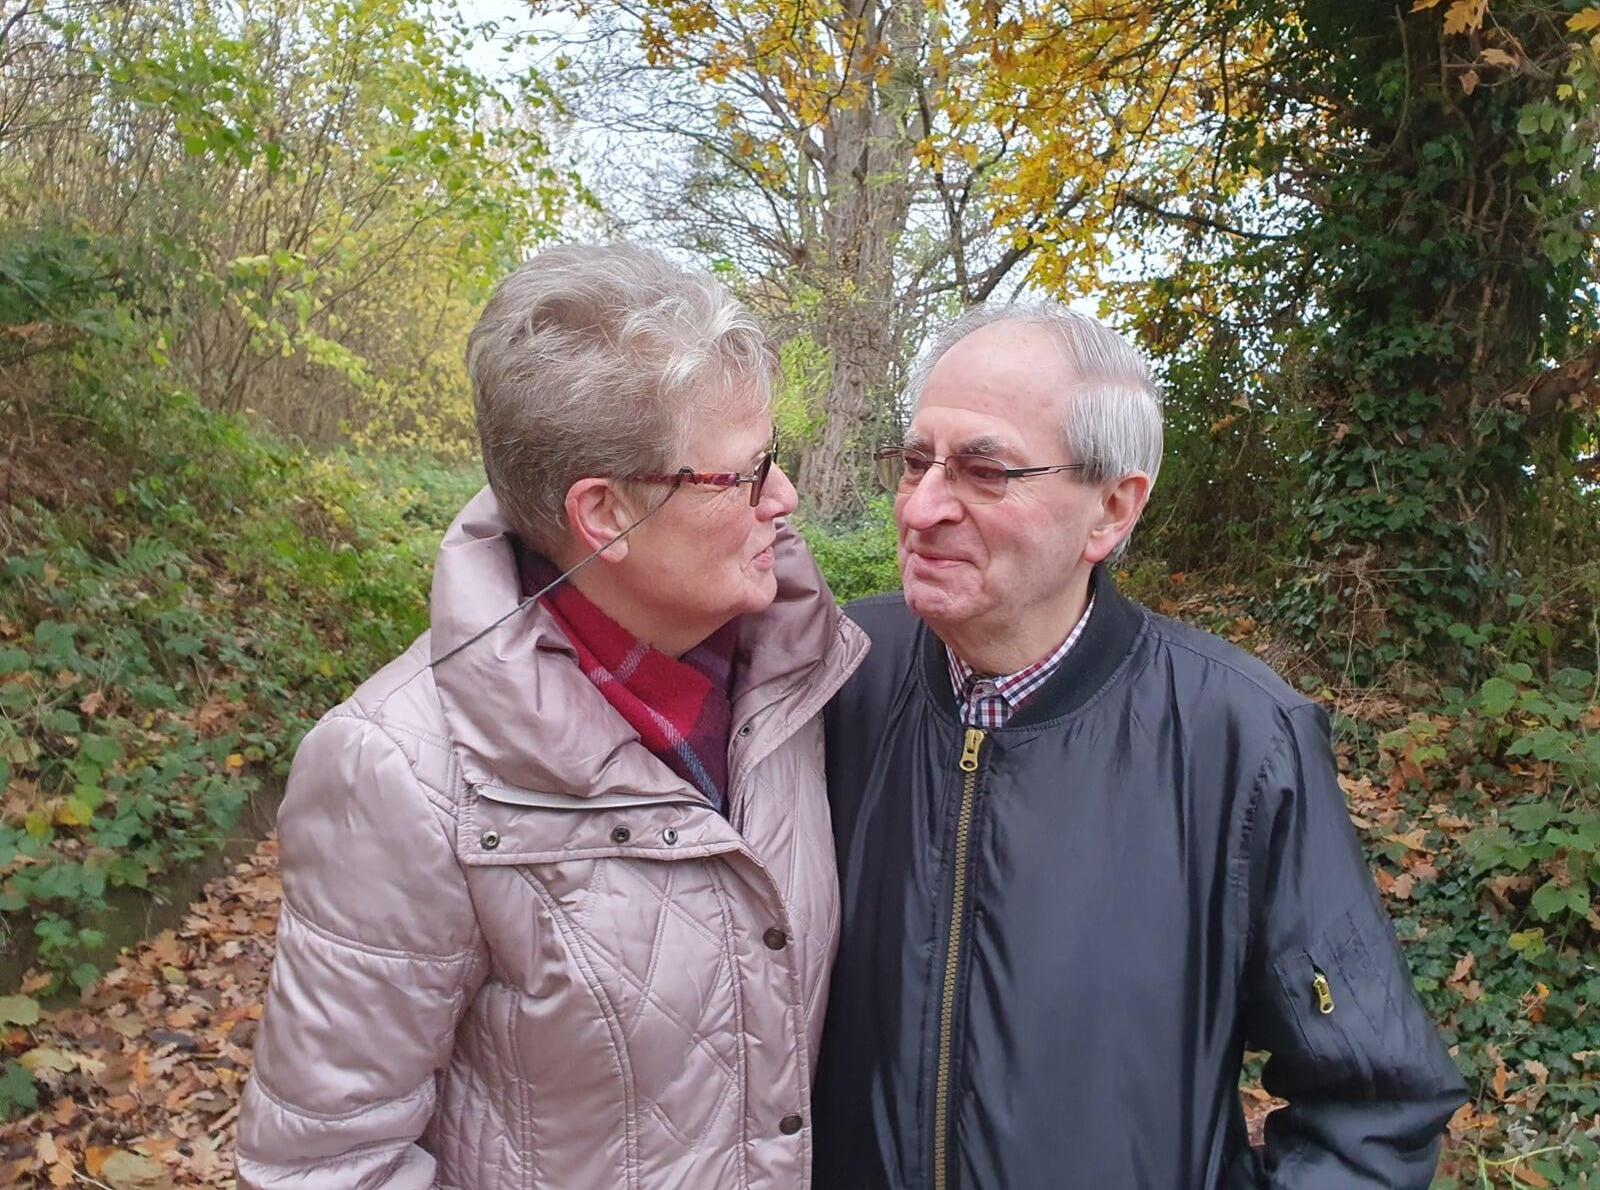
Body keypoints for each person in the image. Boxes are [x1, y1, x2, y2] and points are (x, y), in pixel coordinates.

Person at [236, 243, 867, 1190]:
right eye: (745, 474)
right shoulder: (401, 773)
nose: (784, 498)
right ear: (604, 514)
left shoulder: (797, 681)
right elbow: (326, 1164)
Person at [812, 303, 1466, 1189]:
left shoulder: (1238, 740)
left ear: (1111, 510)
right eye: (916, 461)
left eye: (984, 470)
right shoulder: (837, 676)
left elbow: (1374, 1104)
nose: (924, 507)